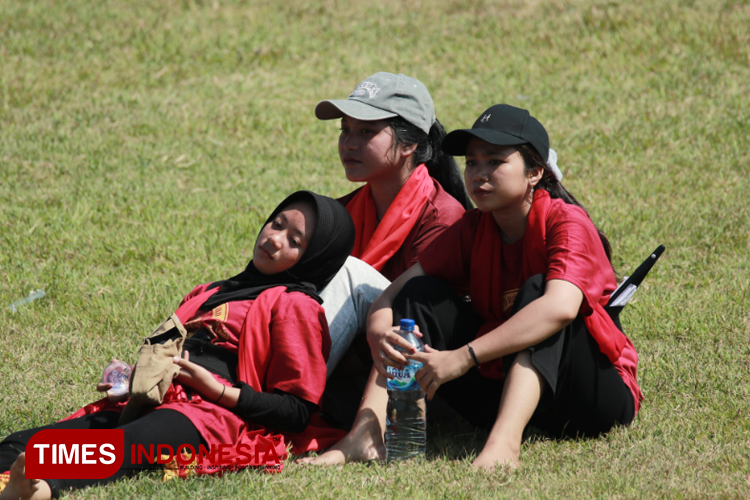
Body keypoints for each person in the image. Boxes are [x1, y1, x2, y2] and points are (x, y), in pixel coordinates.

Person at [310, 104, 643, 469]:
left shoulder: (566, 221)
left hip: (589, 402)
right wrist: (379, 337)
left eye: (495, 162)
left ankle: (504, 447)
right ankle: (370, 434)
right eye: (471, 163)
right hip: (501, 389)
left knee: (540, 293)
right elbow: (393, 295)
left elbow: (560, 308)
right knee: (419, 295)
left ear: (535, 172)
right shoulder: (472, 228)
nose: (479, 174)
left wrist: (461, 357)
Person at [0, 191, 355, 499]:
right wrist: (133, 382)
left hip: (211, 417)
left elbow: (295, 412)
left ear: (315, 259)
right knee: (19, 444)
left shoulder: (297, 306)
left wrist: (216, 391)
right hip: (158, 399)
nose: (275, 239)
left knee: (118, 449)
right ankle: (18, 478)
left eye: (296, 241)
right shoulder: (214, 291)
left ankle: (38, 489)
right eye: (277, 223)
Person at [310, 72, 471, 436]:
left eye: (367, 132)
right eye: (344, 130)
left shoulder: (443, 220)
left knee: (353, 274)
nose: (349, 143)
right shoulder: (343, 211)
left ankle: (286, 397)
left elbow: (419, 321)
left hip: (409, 383)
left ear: (409, 144)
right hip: (351, 368)